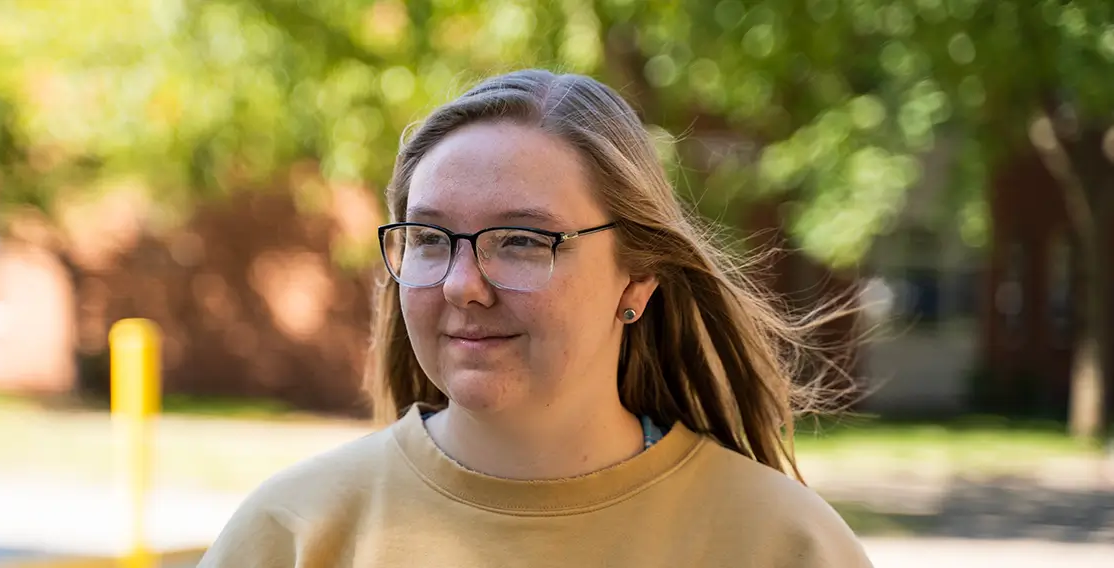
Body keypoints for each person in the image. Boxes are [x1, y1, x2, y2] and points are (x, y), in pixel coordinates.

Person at [197, 69, 872, 567]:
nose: (464, 285)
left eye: (522, 241)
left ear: (637, 278)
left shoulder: (782, 545)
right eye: (430, 239)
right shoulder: (292, 534)